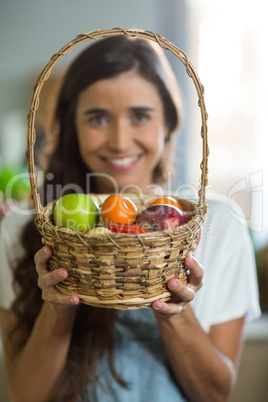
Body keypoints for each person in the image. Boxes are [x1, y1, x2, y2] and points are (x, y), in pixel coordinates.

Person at [0, 34, 260, 402]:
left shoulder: (213, 224)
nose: (120, 141)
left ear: (169, 123)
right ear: (71, 124)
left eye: (140, 116)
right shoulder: (26, 228)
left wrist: (174, 311)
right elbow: (26, 396)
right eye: (98, 118)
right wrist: (57, 309)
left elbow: (215, 396)